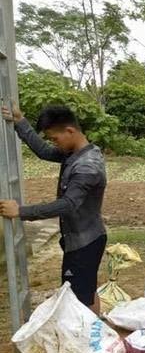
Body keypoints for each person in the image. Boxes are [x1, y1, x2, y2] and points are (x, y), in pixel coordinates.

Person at [0, 103, 106, 313]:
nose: (53, 144)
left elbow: (67, 204)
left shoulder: (87, 165)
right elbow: (43, 151)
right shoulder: (74, 152)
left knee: (77, 300)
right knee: (86, 291)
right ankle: (94, 335)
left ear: (70, 131)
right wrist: (20, 121)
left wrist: (20, 211)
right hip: (84, 238)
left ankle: (85, 339)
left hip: (84, 243)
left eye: (55, 138)